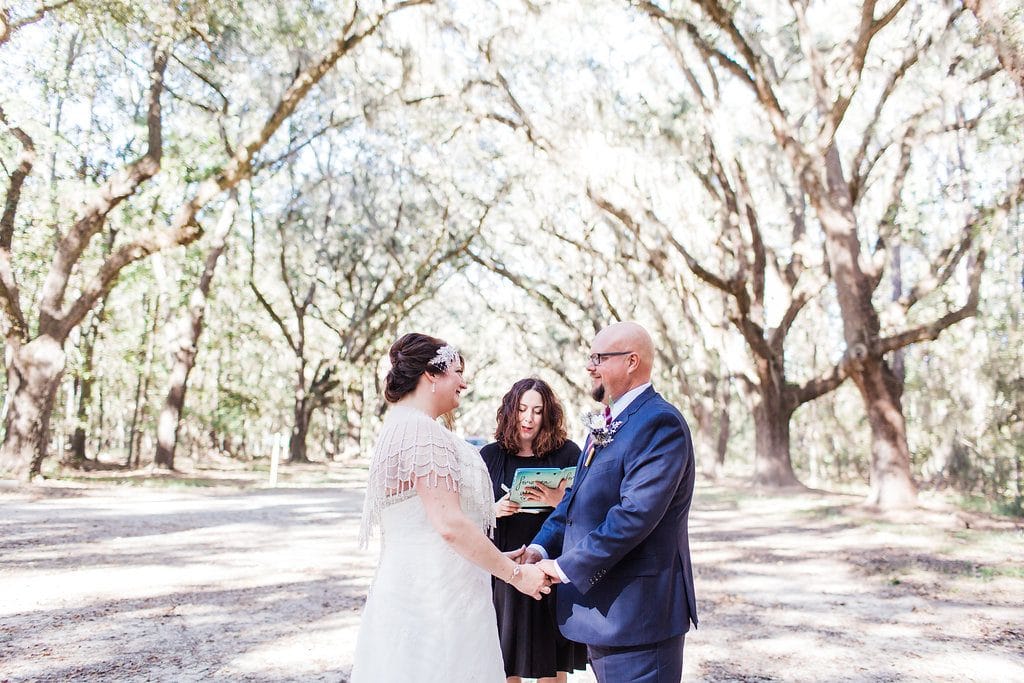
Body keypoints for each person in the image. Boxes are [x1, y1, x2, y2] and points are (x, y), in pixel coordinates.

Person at [352, 333, 551, 683]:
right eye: (457, 372)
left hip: (410, 593)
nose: (464, 381)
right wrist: (515, 575)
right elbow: (449, 525)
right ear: (432, 374)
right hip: (438, 605)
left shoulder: (397, 426)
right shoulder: (424, 433)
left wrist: (498, 555)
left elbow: (425, 527)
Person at [524, 321, 699, 683]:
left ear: (632, 361)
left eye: (599, 357)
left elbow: (633, 517)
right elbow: (574, 501)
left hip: (640, 620)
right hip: (606, 616)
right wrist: (540, 548)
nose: (590, 366)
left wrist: (559, 568)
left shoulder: (659, 423)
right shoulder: (608, 423)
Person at [480, 378, 589, 683]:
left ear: (548, 415)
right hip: (506, 565)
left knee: (551, 663)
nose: (528, 418)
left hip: (549, 567)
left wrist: (558, 502)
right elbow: (466, 518)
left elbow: (587, 512)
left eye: (537, 411)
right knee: (505, 661)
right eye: (522, 409)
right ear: (510, 411)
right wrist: (494, 510)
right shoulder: (489, 456)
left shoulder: (568, 453)